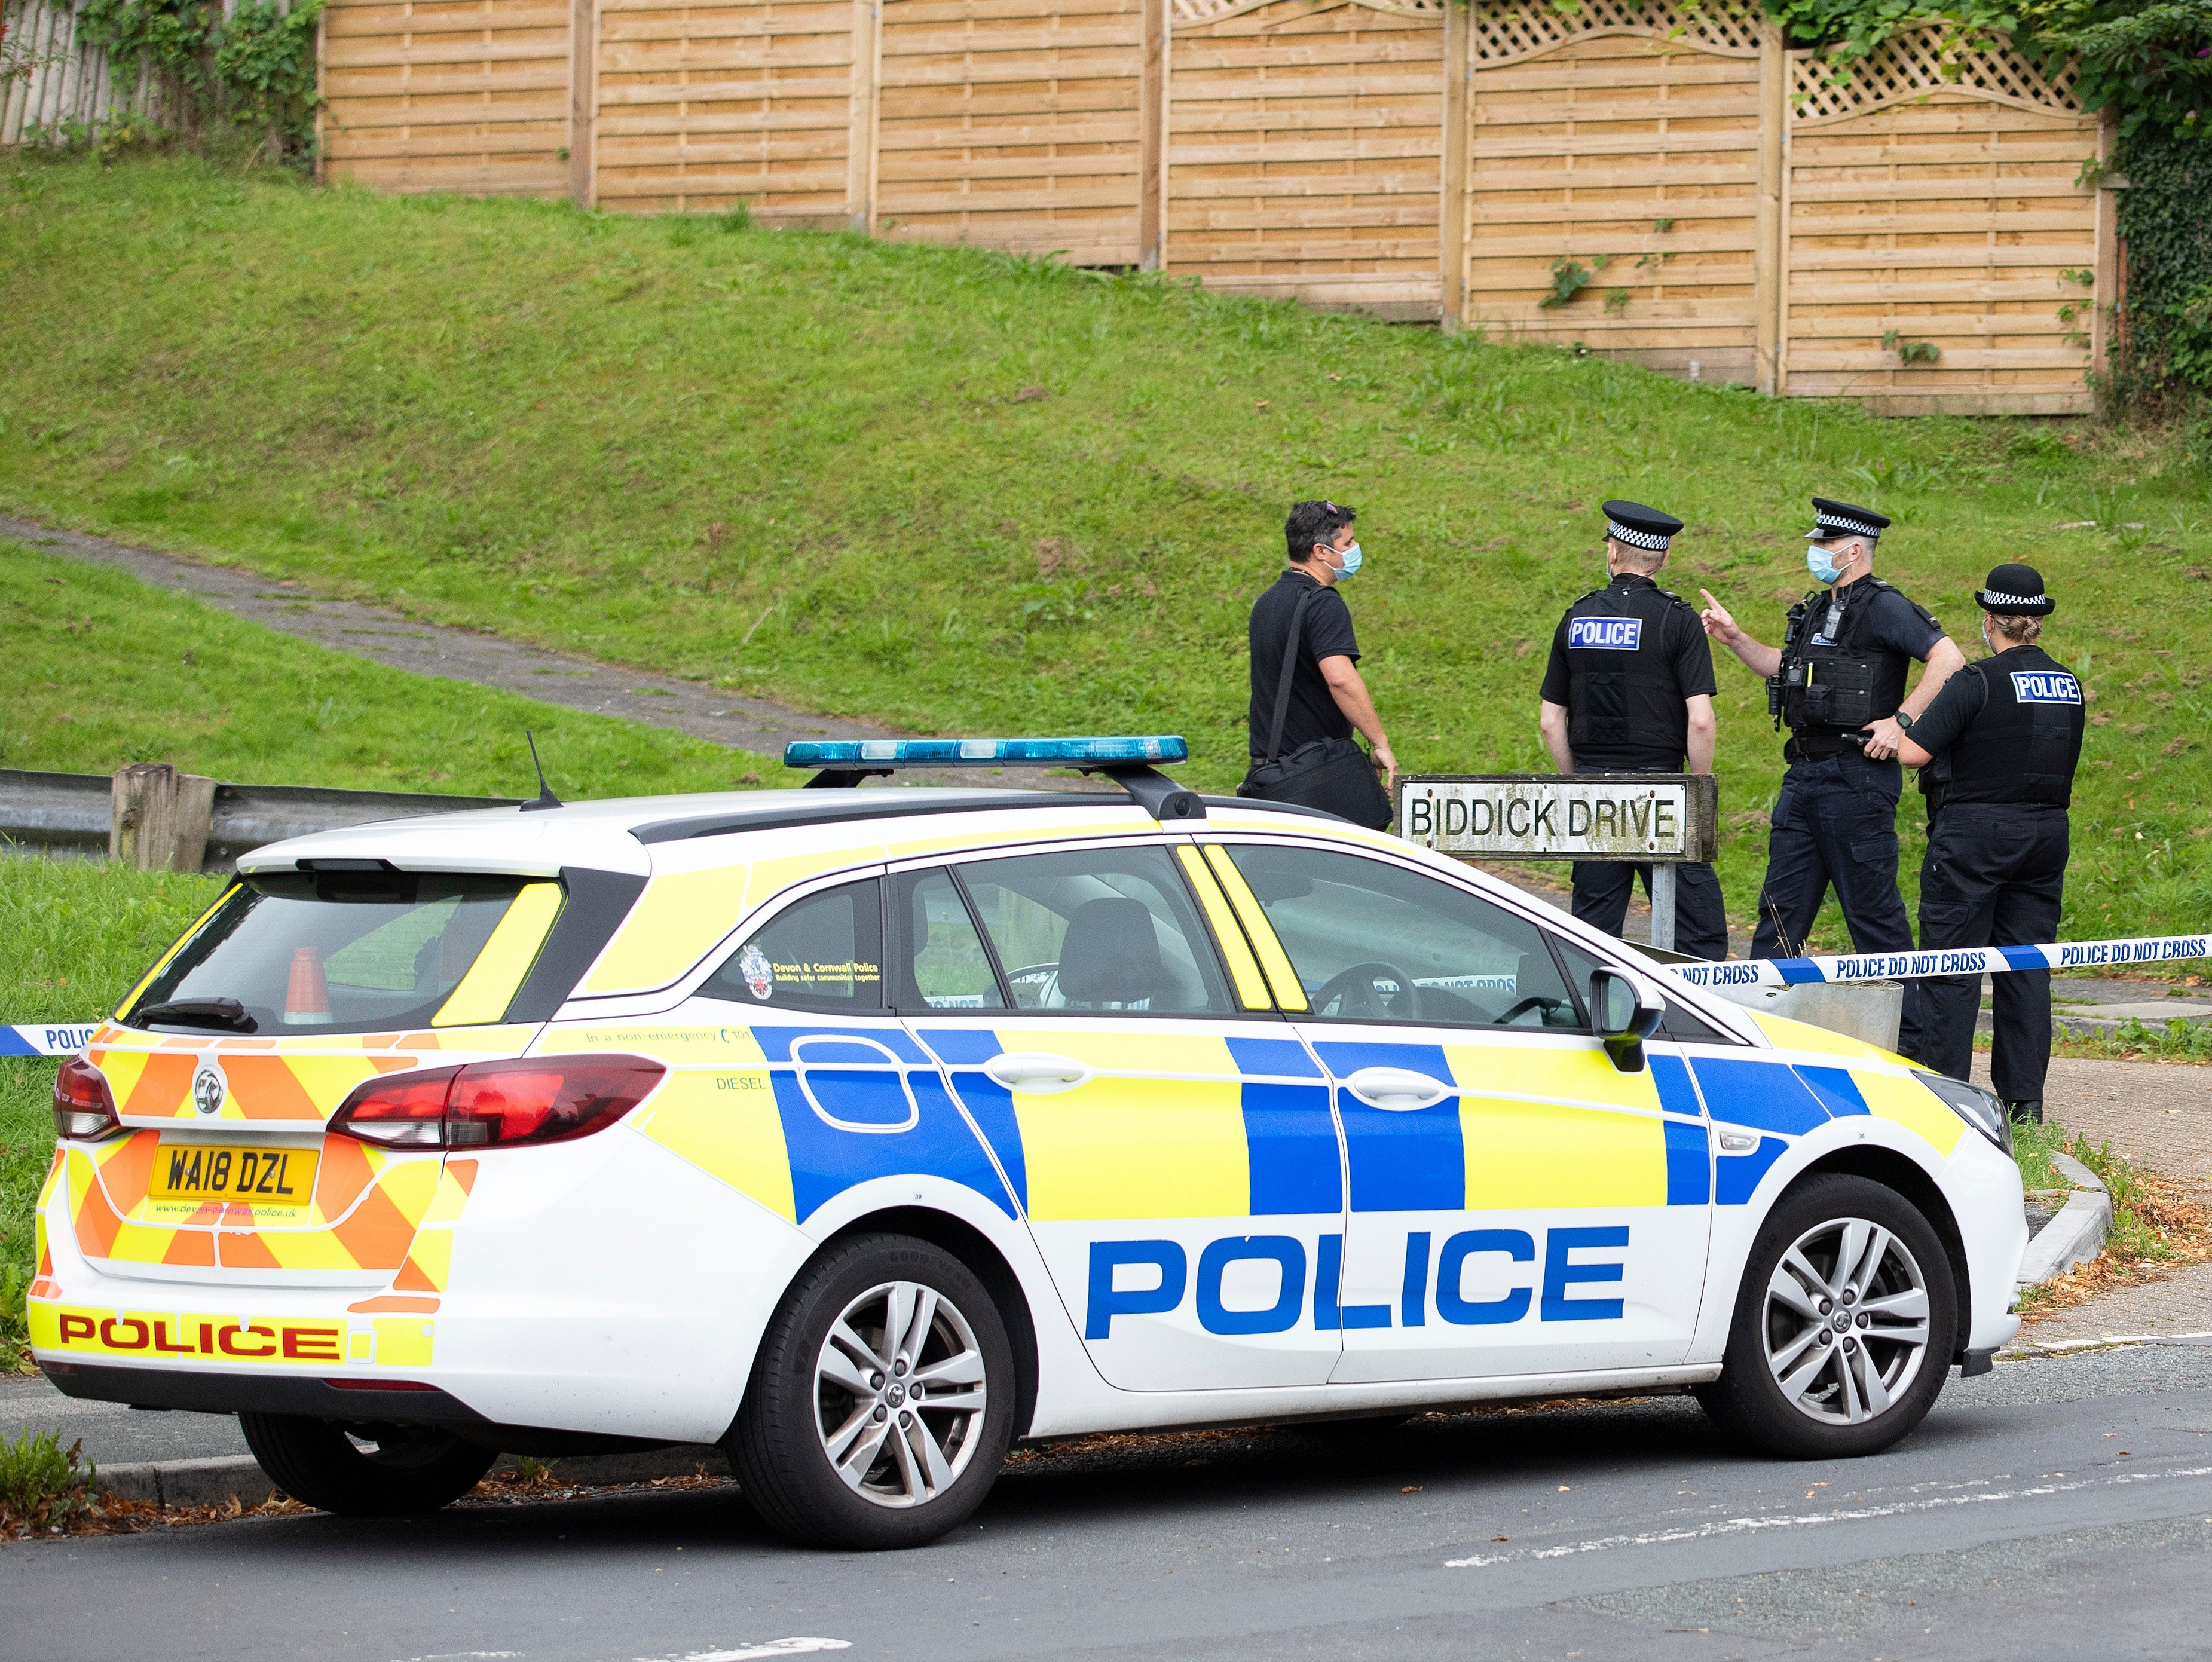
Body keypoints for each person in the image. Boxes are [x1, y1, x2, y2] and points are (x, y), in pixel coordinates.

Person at [1699, 498, 1966, 1057]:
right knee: (1778, 913)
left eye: (1822, 545)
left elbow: (1948, 660)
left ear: (1851, 550)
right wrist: (1734, 639)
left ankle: (1914, 1056)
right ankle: (1757, 1045)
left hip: (1855, 780)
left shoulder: (1884, 606)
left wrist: (1901, 721)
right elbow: (1786, 669)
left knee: (1875, 922)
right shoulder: (1819, 607)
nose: (1813, 552)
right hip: (1803, 777)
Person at [1897, 565, 2083, 1122]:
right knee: (2026, 966)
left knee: (1952, 965)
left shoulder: (1976, 681)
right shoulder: (2066, 684)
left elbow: (1911, 753)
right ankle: (2024, 1105)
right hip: (2046, 836)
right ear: (2037, 622)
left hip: (1976, 836)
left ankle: (1944, 1100)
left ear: (1988, 621)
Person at [1537, 500, 1728, 960]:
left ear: (1612, 553)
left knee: (1591, 938)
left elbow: (1549, 722)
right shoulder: (1676, 619)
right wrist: (1696, 792)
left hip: (1594, 792)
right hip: (1662, 793)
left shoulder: (1576, 617)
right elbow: (1700, 719)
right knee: (1699, 932)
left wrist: (1578, 782)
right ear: (1663, 559)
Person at [1240, 500, 1396, 827]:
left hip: (1271, 774)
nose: (1355, 549)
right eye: (1348, 543)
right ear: (1321, 551)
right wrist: (1379, 742)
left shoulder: (1267, 602)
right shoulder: (1323, 604)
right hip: (1312, 777)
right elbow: (1340, 678)